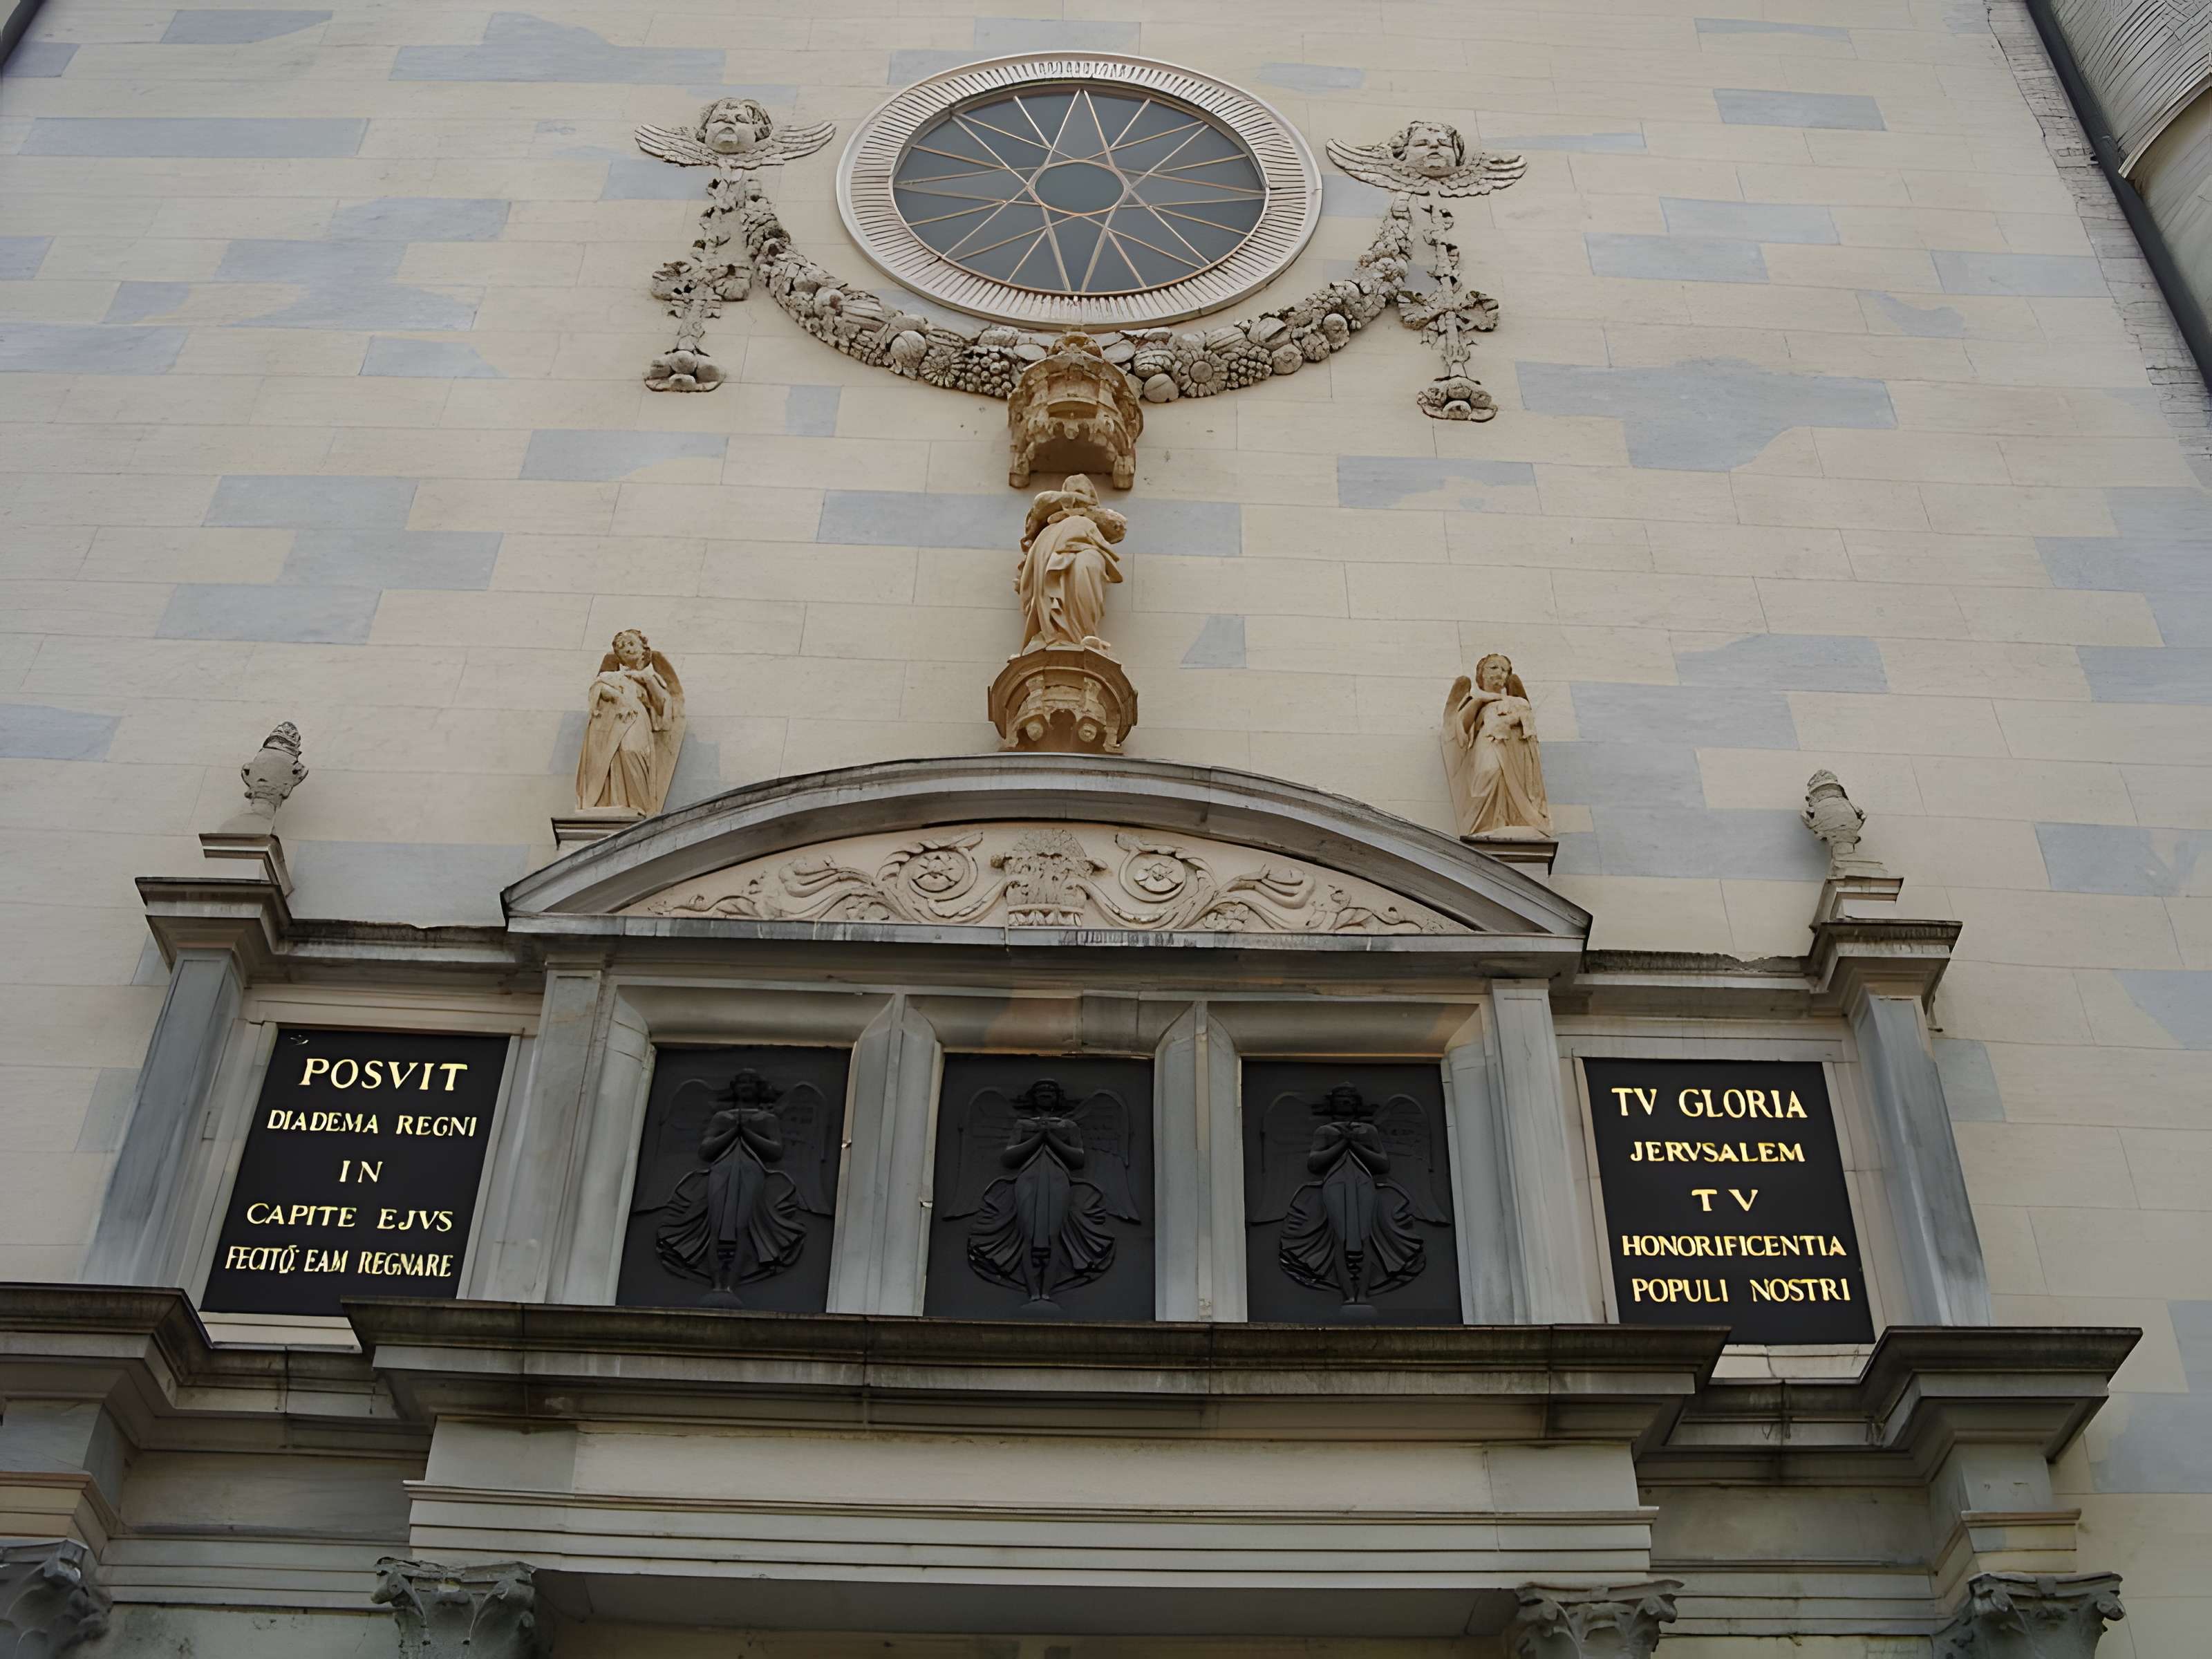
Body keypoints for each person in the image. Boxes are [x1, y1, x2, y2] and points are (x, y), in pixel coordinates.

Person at [1013, 474, 1127, 656]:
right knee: (1048, 587)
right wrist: (1079, 501)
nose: (1078, 496)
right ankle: (1055, 634)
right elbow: (1041, 503)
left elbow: (1118, 527)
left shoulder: (1091, 519)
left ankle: (1082, 634)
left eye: (1083, 491)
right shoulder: (1052, 518)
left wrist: (1089, 512)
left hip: (1085, 549)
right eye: (1073, 491)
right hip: (1051, 550)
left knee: (1086, 570)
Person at [574, 629, 682, 814]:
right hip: (613, 723)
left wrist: (648, 681)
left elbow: (663, 706)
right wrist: (617, 697)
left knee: (632, 751)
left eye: (632, 644)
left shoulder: (652, 678)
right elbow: (598, 690)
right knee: (614, 757)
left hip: (637, 720)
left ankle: (640, 805)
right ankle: (615, 802)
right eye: (622, 647)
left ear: (644, 649)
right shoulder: (610, 676)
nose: (627, 649)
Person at [1447, 652, 1552, 838]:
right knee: (1488, 773)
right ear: (1481, 673)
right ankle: (1481, 825)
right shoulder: (1475, 699)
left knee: (1507, 779)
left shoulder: (1516, 701)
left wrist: (1510, 720)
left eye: (1504, 670)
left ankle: (1508, 821)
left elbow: (1527, 724)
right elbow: (1461, 727)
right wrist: (1481, 700)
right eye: (1494, 667)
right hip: (1487, 744)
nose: (1500, 673)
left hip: (1512, 749)